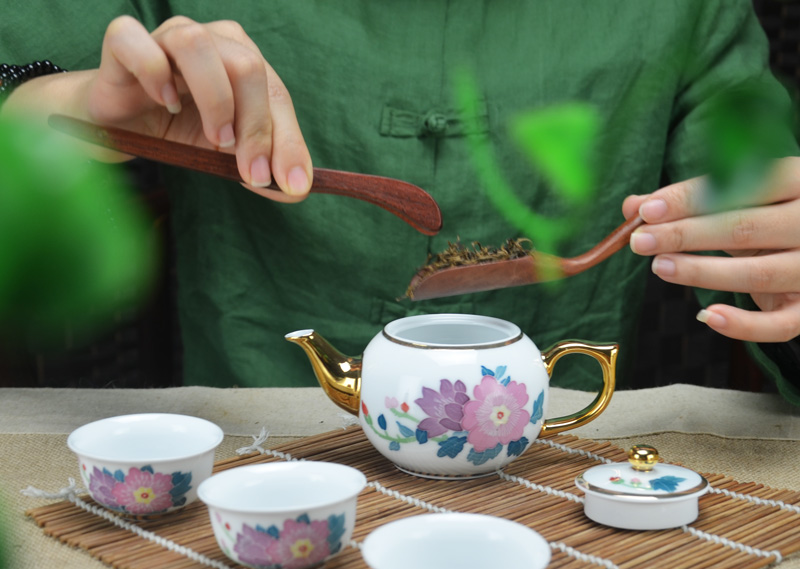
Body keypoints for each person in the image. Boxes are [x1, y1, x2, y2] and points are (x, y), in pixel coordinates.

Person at [2, 1, 799, 402]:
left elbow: (756, 220)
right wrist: (63, 106)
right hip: (253, 461)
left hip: (562, 483)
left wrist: (781, 267)